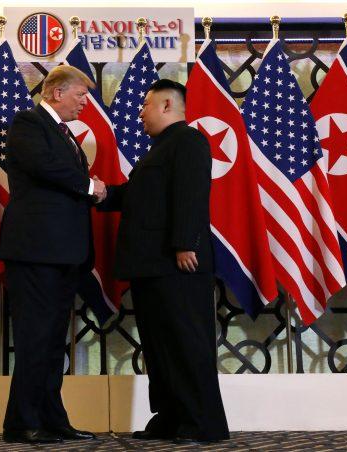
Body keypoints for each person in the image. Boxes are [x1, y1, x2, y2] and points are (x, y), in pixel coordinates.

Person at [98, 79, 229, 444]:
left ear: (168, 105)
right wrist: (103, 193)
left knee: (186, 343)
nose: (140, 113)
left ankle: (201, 424)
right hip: (152, 266)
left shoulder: (187, 141)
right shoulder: (160, 149)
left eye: (146, 105)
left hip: (178, 264)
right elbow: (140, 199)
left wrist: (185, 243)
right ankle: (171, 419)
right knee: (160, 348)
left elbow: (190, 194)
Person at [0, 65, 106, 444]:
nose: (85, 103)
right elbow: (45, 167)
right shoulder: (27, 122)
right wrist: (90, 185)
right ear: (57, 93)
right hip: (35, 251)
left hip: (63, 253)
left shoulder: (63, 133)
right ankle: (21, 422)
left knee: (52, 339)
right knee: (34, 337)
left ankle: (51, 418)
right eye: (81, 95)